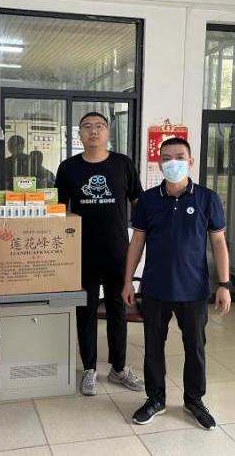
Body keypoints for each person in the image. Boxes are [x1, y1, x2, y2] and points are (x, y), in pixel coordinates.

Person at [122, 137, 231, 430]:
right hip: (155, 287)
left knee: (195, 347)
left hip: (193, 290)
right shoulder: (148, 200)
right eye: (167, 158)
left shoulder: (207, 198)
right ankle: (155, 399)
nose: (174, 162)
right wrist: (127, 281)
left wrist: (224, 284)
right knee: (153, 347)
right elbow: (137, 242)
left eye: (180, 157)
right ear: (159, 164)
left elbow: (218, 242)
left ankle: (194, 400)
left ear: (190, 161)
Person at [55, 112, 144, 396]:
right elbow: (58, 210)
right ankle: (89, 369)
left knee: (118, 310)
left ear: (108, 132)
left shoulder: (123, 164)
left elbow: (139, 202)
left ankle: (119, 367)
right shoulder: (68, 168)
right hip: (82, 253)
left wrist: (149, 235)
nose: (93, 131)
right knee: (86, 311)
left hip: (118, 252)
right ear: (79, 134)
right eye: (87, 127)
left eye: (99, 126)